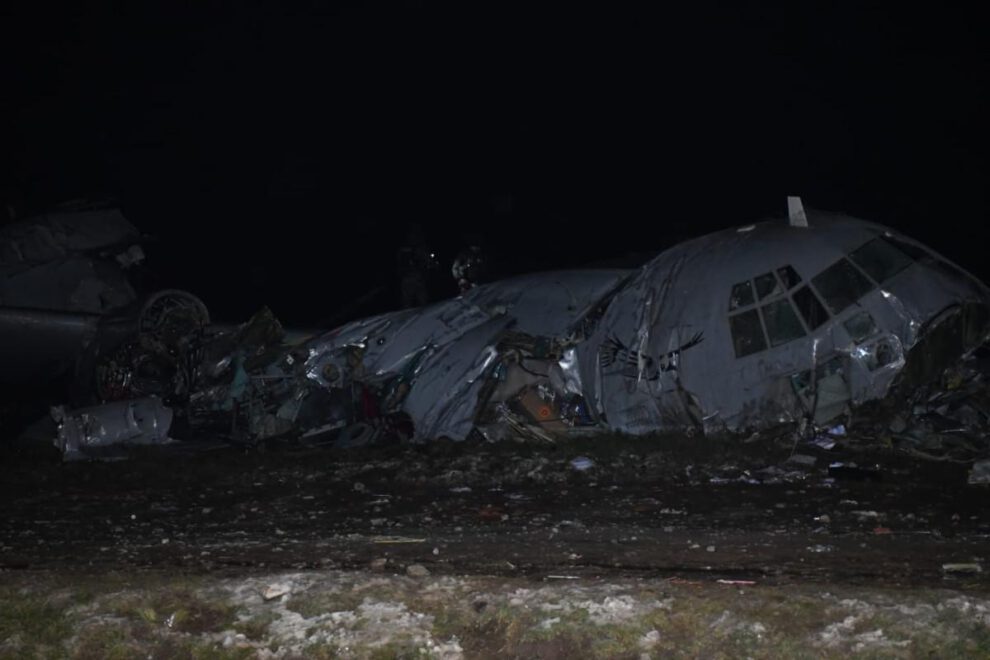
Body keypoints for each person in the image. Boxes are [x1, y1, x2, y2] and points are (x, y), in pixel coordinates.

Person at [396, 223, 436, 308]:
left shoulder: (407, 248)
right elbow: (429, 262)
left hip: (410, 278)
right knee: (420, 303)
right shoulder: (417, 248)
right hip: (415, 278)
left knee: (411, 303)